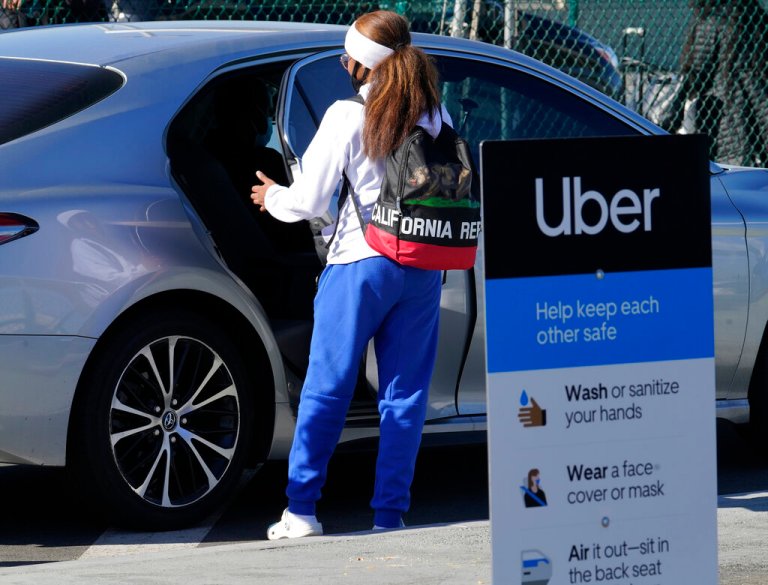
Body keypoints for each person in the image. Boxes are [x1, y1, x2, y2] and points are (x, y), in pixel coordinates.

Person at [250, 10, 452, 539]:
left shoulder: (346, 116)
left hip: (360, 264)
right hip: (423, 268)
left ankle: (301, 511)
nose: (344, 66)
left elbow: (310, 200)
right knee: (404, 396)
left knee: (328, 387)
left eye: (346, 59)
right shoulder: (436, 114)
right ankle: (390, 516)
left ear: (362, 66)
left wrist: (272, 196)